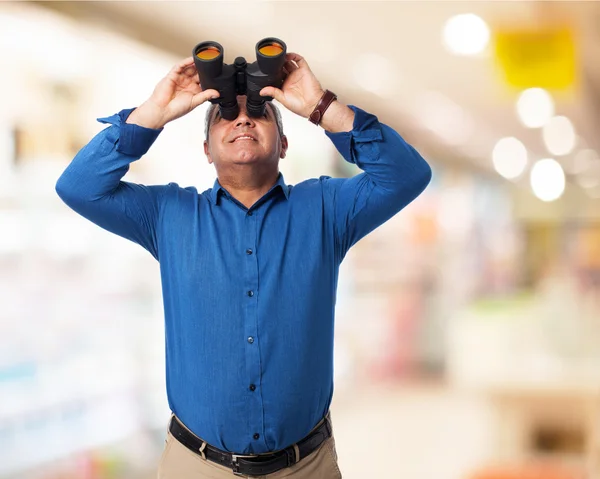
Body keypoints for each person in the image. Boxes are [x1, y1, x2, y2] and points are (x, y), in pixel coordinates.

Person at [55, 51, 432, 478]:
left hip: (305, 466)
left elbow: (408, 176)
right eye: (223, 115)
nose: (242, 119)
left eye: (259, 112)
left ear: (284, 145)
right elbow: (79, 187)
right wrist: (153, 114)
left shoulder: (327, 209)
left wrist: (321, 107)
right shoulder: (168, 214)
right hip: (194, 466)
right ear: (206, 151)